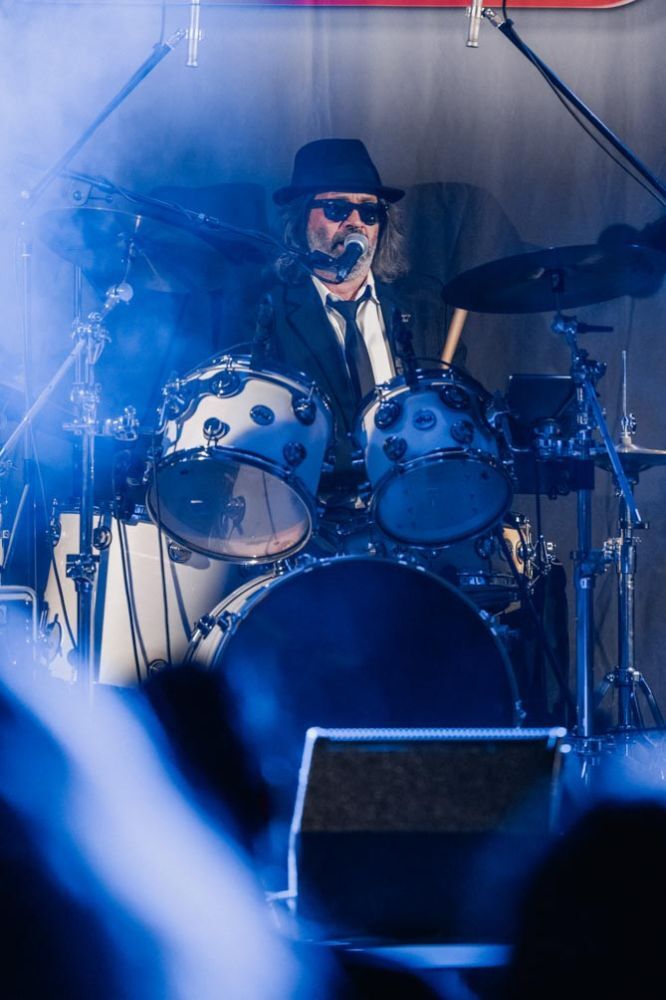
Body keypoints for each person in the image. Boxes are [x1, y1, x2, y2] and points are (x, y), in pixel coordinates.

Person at [263, 137, 455, 503]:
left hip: (415, 505)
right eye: (337, 208)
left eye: (369, 213)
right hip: (314, 510)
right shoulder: (267, 314)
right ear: (301, 220)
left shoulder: (426, 305)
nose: (356, 224)